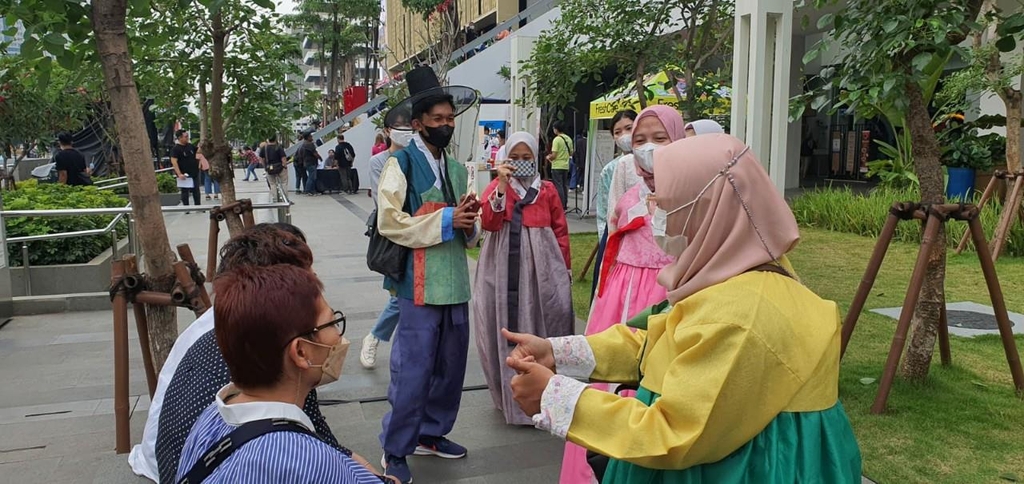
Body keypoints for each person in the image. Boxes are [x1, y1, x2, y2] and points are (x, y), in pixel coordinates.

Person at [503, 134, 862, 483]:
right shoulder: (732, 277)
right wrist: (557, 353)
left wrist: (556, 397)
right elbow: (657, 344)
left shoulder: (739, 317)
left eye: (666, 202)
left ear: (707, 211)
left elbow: (673, 431)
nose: (655, 211)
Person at [130, 224, 388, 482]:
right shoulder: (304, 460)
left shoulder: (223, 399)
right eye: (332, 323)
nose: (314, 277)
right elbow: (313, 461)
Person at [561, 105, 687, 484]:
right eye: (640, 141)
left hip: (668, 295)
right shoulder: (627, 192)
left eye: (660, 138)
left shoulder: (694, 196)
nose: (648, 148)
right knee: (607, 380)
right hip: (618, 297)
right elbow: (610, 236)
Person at [175, 264, 388, 483]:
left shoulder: (210, 416)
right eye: (332, 322)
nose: (338, 337)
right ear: (301, 351)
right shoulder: (307, 461)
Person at [375, 65, 481, 484]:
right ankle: (395, 448)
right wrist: (449, 218)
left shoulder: (457, 168)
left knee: (452, 366)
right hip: (417, 285)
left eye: (449, 118)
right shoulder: (399, 164)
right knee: (413, 370)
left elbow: (469, 233)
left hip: (454, 279)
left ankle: (432, 433)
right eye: (437, 119)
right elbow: (390, 221)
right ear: (417, 124)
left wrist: (470, 223)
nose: (445, 125)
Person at [473, 131, 573, 426]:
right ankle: (510, 397)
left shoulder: (548, 190)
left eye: (526, 158)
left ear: (536, 158)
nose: (520, 163)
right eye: (514, 158)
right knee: (505, 324)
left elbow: (560, 230)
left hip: (542, 265)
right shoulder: (497, 187)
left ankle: (547, 394)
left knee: (546, 320)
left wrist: (562, 269)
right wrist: (502, 183)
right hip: (503, 265)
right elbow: (489, 222)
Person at [360, 112, 415, 370]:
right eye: (399, 127)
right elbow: (386, 203)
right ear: (388, 130)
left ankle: (383, 340)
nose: (405, 132)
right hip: (394, 235)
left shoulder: (418, 157)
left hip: (420, 231)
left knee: (406, 294)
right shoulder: (380, 161)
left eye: (409, 127)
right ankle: (374, 337)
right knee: (399, 293)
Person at [591, 109, 637, 301]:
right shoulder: (610, 169)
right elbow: (604, 210)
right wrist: (609, 238)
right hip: (616, 233)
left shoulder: (657, 161)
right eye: (617, 132)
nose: (623, 135)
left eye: (629, 128)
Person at [170, 129, 201, 207]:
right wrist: (179, 173)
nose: (187, 138)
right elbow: (174, 162)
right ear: (180, 138)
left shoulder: (190, 146)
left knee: (196, 190)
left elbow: (198, 151)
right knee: (185, 191)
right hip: (184, 174)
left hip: (194, 172)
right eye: (185, 136)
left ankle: (198, 206)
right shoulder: (176, 149)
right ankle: (186, 207)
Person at [545, 121, 573, 209]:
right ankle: (564, 204)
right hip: (565, 165)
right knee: (564, 185)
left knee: (558, 185)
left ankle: (560, 204)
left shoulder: (557, 139)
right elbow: (571, 152)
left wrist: (548, 157)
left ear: (556, 129)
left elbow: (554, 155)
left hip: (557, 165)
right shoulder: (568, 139)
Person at [262, 137, 289, 201]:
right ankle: (285, 199)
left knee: (272, 184)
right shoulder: (279, 147)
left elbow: (261, 158)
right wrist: (284, 165)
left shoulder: (265, 148)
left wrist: (265, 166)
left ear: (268, 139)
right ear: (275, 139)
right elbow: (283, 158)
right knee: (284, 183)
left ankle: (275, 199)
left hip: (269, 168)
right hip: (280, 167)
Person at [300, 132, 322, 197]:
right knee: (312, 177)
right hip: (311, 162)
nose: (312, 138)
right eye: (311, 137)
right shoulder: (310, 144)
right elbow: (315, 153)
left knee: (311, 177)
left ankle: (311, 190)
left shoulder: (303, 144)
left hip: (306, 162)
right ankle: (309, 190)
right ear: (308, 137)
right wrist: (320, 158)